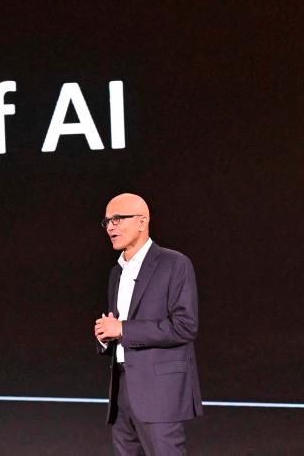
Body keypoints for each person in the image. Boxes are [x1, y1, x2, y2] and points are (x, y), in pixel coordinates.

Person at [93, 193, 203, 455]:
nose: (110, 227)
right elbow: (116, 326)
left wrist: (123, 329)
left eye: (118, 219)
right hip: (122, 390)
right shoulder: (117, 271)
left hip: (159, 392)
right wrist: (104, 337)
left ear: (142, 222)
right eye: (107, 221)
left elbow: (185, 326)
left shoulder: (174, 264)